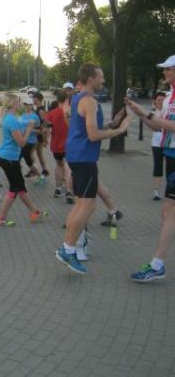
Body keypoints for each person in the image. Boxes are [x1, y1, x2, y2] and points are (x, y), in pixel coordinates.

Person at [55, 63, 131, 275]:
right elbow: (93, 135)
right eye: (101, 76)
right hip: (84, 158)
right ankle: (69, 250)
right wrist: (121, 130)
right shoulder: (89, 101)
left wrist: (112, 123)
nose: (103, 80)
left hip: (77, 156)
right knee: (87, 207)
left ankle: (67, 248)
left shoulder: (79, 97)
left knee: (81, 205)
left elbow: (85, 128)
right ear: (90, 79)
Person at [127, 55, 175, 282]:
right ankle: (159, 262)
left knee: (170, 211)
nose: (164, 73)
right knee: (167, 212)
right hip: (170, 156)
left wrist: (148, 114)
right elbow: (158, 126)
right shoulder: (168, 98)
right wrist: (140, 113)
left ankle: (157, 264)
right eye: (164, 69)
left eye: (168, 69)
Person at [0, 94, 47, 226]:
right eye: (18, 102)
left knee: (21, 187)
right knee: (14, 189)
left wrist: (29, 124)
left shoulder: (10, 117)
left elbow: (20, 123)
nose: (20, 104)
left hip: (8, 157)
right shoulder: (11, 120)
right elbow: (22, 142)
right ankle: (0, 218)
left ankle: (35, 212)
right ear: (13, 104)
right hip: (9, 158)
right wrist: (29, 129)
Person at [44, 90, 74, 202]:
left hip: (55, 145)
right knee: (68, 167)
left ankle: (57, 189)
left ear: (57, 100)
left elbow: (45, 128)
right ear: (67, 100)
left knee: (59, 165)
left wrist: (45, 139)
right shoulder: (70, 113)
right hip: (68, 145)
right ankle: (69, 192)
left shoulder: (51, 113)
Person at [19, 98, 43, 182]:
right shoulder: (23, 115)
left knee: (18, 158)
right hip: (22, 140)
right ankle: (40, 176)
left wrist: (30, 130)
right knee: (28, 160)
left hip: (30, 141)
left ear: (31, 106)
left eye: (27, 104)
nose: (25, 106)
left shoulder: (35, 116)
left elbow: (40, 130)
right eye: (24, 104)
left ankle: (18, 178)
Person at [149, 91, 167, 200]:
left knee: (171, 167)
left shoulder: (168, 111)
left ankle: (170, 190)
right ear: (155, 101)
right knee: (158, 167)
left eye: (163, 100)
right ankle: (156, 192)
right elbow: (154, 126)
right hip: (157, 144)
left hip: (169, 144)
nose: (161, 102)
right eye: (159, 100)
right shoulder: (152, 112)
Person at [32, 92, 49, 177]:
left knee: (29, 153)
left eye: (33, 98)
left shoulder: (41, 110)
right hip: (37, 134)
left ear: (37, 99)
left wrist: (45, 139)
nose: (32, 100)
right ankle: (44, 170)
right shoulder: (37, 109)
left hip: (39, 135)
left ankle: (34, 169)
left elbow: (45, 124)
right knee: (39, 154)